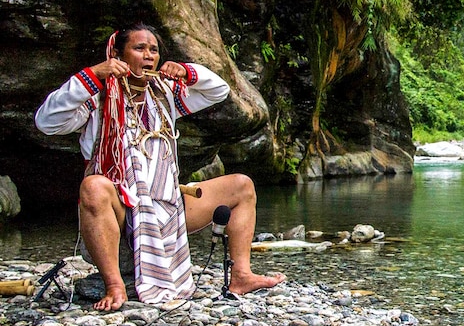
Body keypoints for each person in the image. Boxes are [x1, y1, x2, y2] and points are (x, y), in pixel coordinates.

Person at [34, 23, 284, 311]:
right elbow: (46, 121)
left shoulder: (165, 94)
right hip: (121, 210)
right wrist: (92, 76)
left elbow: (219, 90)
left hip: (168, 207)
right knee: (93, 186)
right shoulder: (96, 98)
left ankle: (241, 275)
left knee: (242, 186)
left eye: (153, 50)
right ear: (117, 54)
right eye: (139, 48)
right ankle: (115, 285)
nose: (149, 55)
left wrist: (187, 72)